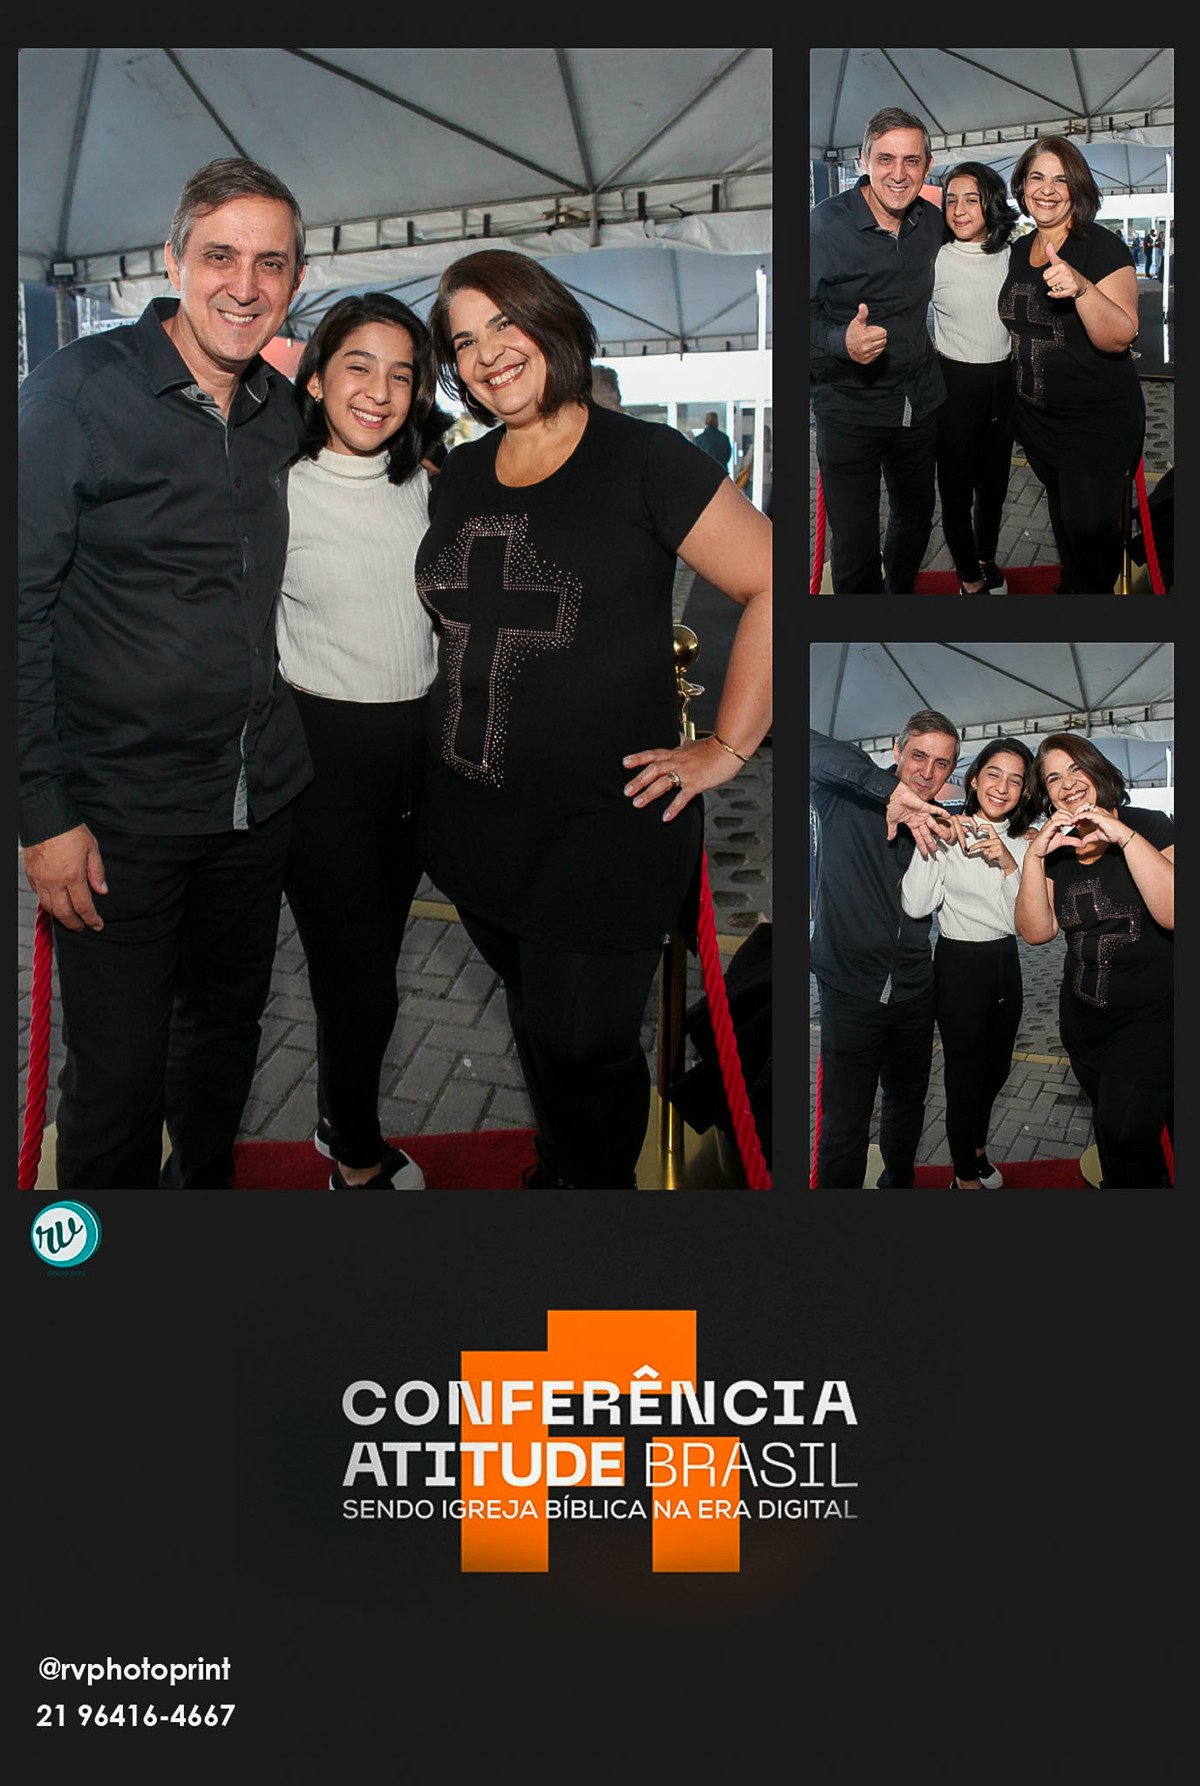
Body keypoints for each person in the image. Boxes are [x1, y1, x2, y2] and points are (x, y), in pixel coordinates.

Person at [417, 249, 772, 1189]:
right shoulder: (459, 473)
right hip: (472, 818)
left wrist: (727, 745)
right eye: (464, 341)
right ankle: (559, 1168)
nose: (488, 352)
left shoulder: (645, 458)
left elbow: (774, 580)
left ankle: (600, 1187)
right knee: (538, 1020)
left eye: (505, 322)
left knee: (585, 1045)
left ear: (551, 320)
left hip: (603, 826)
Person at [19, 157, 310, 1190]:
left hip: (255, 805)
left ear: (297, 278)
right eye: (221, 256)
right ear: (174, 261)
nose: (245, 285)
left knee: (224, 1043)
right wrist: (42, 814)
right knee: (117, 1082)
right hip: (117, 819)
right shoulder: (76, 394)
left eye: (271, 263)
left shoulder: (281, 409)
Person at [276, 294, 452, 1189]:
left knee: (374, 957)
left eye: (401, 373)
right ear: (315, 378)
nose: (379, 391)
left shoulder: (430, 485)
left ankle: (333, 1114)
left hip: (417, 758)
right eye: (358, 366)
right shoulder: (275, 491)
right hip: (323, 762)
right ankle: (354, 1158)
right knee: (359, 978)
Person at [809, 712, 960, 1189]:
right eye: (918, 755)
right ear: (896, 751)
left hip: (914, 989)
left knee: (907, 1103)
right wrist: (890, 793)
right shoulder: (843, 796)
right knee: (846, 1118)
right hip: (850, 988)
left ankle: (898, 1186)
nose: (927, 772)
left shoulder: (940, 822)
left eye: (941, 763)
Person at [1015, 736, 1173, 1189]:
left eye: (1075, 768)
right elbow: (1036, 932)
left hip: (1153, 1021)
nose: (1067, 783)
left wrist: (1122, 835)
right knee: (1117, 1134)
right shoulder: (1058, 850)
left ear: (1098, 770)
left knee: (1124, 1134)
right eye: (1053, 778)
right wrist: (1034, 856)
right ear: (1047, 796)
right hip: (1084, 1023)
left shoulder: (1150, 825)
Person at [998, 136, 1144, 595]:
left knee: (1090, 527)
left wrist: (1082, 288)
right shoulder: (1020, 250)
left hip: (1094, 423)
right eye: (1036, 177)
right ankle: (1071, 586)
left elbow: (1120, 336)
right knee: (1063, 512)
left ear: (1078, 188)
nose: (1047, 189)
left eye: (1061, 179)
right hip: (1037, 419)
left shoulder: (1102, 248)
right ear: (1022, 187)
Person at [810, 107, 945, 592]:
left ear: (927, 166)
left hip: (919, 404)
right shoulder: (823, 228)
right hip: (850, 410)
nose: (899, 173)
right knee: (855, 548)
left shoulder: (932, 222)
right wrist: (839, 341)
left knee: (916, 519)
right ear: (864, 161)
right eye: (886, 158)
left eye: (912, 160)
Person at [900, 737, 1039, 1188]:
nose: (1002, 787)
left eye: (1015, 780)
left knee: (997, 1070)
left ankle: (976, 1150)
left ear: (1024, 790)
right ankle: (964, 1175)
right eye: (993, 775)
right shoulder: (949, 831)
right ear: (974, 780)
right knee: (964, 1075)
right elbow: (917, 905)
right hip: (959, 964)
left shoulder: (1026, 843)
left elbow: (1023, 923)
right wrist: (935, 840)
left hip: (1006, 963)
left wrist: (1009, 864)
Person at [930, 162, 1020, 594]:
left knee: (995, 488)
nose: (959, 210)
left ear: (992, 202)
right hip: (955, 389)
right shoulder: (935, 258)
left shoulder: (1013, 256)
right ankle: (968, 578)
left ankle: (986, 558)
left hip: (1004, 386)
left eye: (971, 199)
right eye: (951, 201)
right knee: (956, 492)